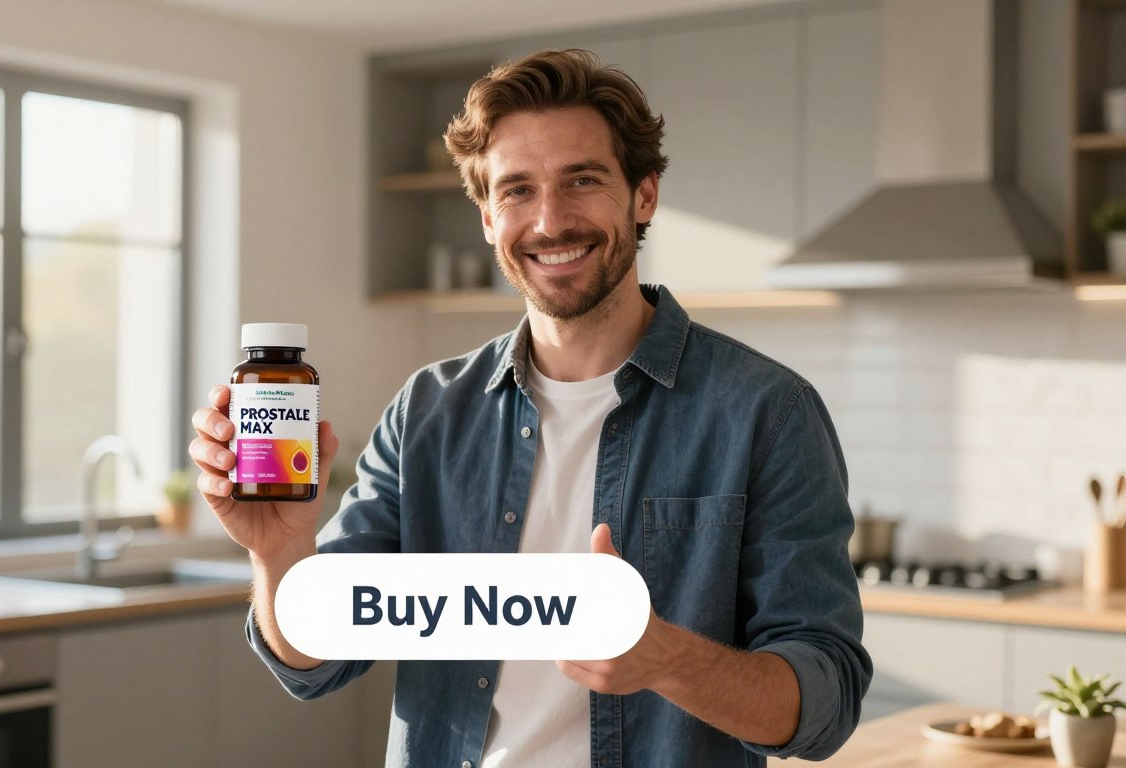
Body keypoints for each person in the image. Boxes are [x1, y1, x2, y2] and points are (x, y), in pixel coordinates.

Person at [189, 49, 870, 768]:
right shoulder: (426, 412)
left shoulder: (767, 412)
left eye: (582, 180)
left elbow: (825, 702)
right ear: (487, 216)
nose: (550, 221)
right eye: (517, 190)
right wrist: (278, 552)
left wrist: (666, 658)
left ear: (644, 195)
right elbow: (317, 659)